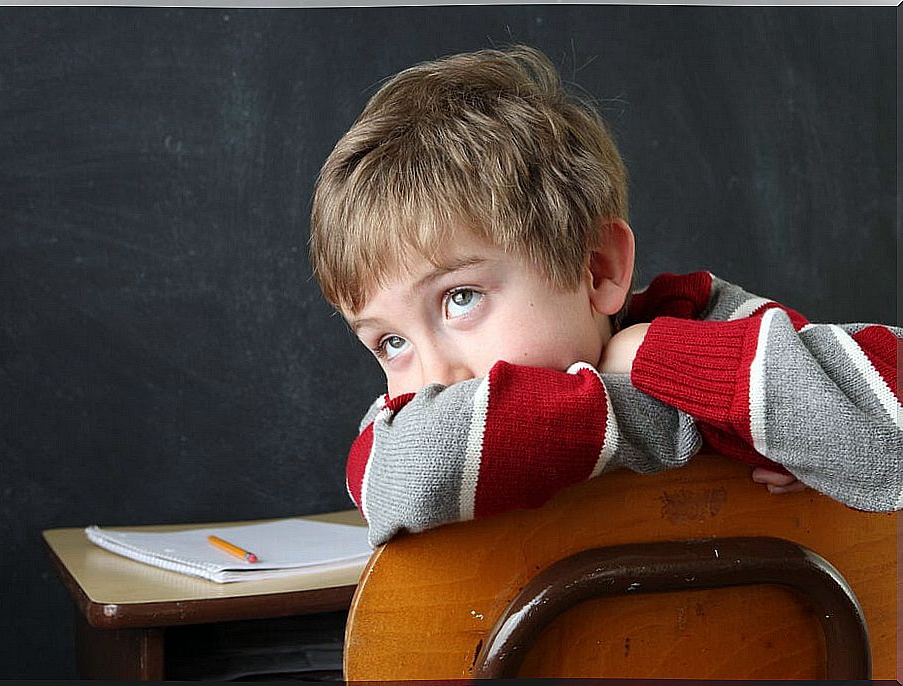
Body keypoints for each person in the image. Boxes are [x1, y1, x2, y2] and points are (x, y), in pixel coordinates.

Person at [309, 45, 901, 546]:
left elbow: (890, 432)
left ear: (597, 269)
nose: (436, 379)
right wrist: (691, 414)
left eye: (460, 298)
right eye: (390, 342)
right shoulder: (404, 427)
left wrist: (659, 356)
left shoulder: (705, 325)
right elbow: (392, 477)